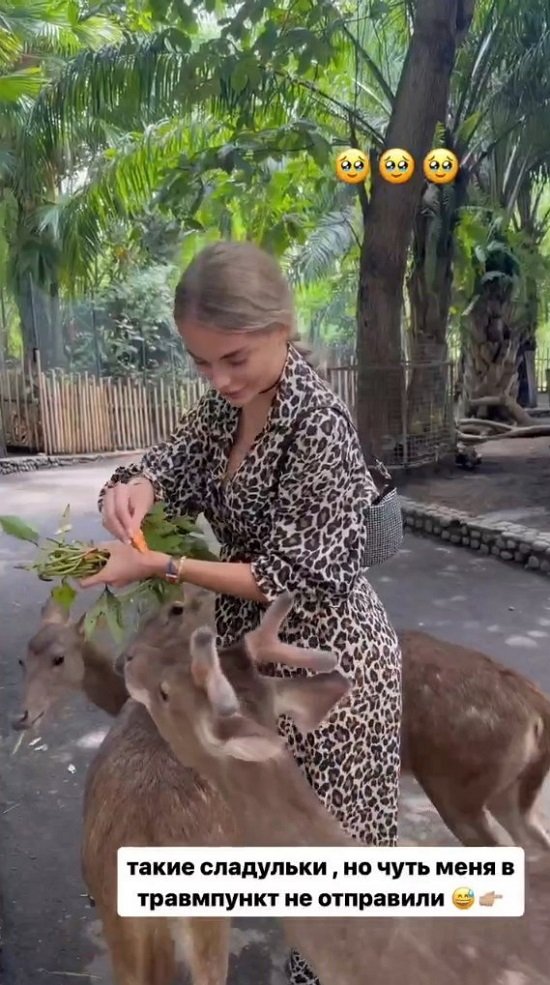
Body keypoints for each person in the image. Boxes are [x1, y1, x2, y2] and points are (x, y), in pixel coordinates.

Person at [82, 240, 402, 985]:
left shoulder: (316, 422)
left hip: (330, 667)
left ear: (282, 327)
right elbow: (162, 464)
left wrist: (158, 563)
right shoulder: (224, 411)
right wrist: (128, 493)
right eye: (200, 363)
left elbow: (286, 571)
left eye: (234, 358)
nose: (218, 379)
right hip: (245, 662)